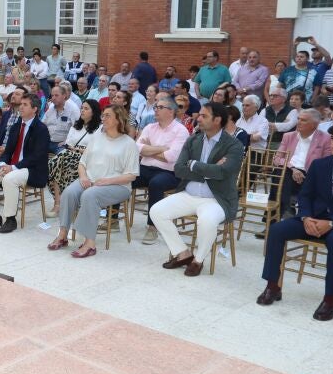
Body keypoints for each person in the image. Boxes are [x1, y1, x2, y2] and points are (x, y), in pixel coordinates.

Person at [257, 123, 333, 321]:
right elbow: (305, 195)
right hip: (312, 218)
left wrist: (332, 222)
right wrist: (306, 217)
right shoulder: (320, 164)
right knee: (276, 230)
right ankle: (272, 286)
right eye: (332, 138)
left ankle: (329, 300)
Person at [151, 103, 245, 276]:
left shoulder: (234, 145)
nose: (198, 118)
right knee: (156, 211)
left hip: (216, 199)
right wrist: (209, 171)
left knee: (207, 221)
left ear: (217, 120)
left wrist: (194, 165)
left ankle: (198, 260)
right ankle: (183, 254)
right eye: (199, 115)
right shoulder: (193, 140)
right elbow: (179, 169)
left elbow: (223, 172)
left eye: (204, 116)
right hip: (189, 194)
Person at [47, 105, 139, 257]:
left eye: (108, 116)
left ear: (118, 120)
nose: (103, 118)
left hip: (118, 185)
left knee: (90, 195)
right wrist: (83, 177)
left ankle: (90, 243)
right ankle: (62, 235)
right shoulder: (97, 137)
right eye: (103, 115)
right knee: (68, 193)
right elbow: (82, 163)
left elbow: (131, 175)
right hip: (89, 179)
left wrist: (107, 181)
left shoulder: (129, 144)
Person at [0, 94, 51, 233]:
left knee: (9, 179)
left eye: (25, 104)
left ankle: (10, 219)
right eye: (20, 104)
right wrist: (3, 163)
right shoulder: (17, 126)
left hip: (32, 170)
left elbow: (37, 156)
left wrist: (14, 167)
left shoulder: (41, 129)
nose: (21, 107)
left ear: (35, 109)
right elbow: (8, 151)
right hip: (12, 166)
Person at [136, 96, 191, 244]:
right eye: (155, 107)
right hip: (145, 168)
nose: (156, 110)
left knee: (156, 183)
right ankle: (113, 219)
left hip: (169, 173)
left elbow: (171, 157)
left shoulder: (181, 131)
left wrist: (148, 149)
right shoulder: (149, 127)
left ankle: (152, 227)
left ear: (171, 111)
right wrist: (161, 148)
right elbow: (137, 148)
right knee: (125, 175)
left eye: (160, 107)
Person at [273, 109, 331, 221]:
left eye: (303, 120)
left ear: (314, 124)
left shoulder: (326, 139)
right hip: (289, 169)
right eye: (298, 119)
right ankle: (287, 209)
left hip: (310, 174)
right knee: (281, 172)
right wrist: (293, 169)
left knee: (281, 179)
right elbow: (277, 159)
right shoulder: (288, 136)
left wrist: (305, 172)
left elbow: (327, 162)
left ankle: (280, 215)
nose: (298, 122)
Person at [48, 99, 102, 213]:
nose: (82, 110)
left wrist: (77, 149)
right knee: (55, 163)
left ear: (94, 112)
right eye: (82, 108)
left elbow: (96, 150)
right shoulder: (76, 125)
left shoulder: (99, 128)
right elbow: (68, 143)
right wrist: (74, 149)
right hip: (70, 154)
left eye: (86, 108)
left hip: (88, 158)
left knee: (59, 164)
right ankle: (58, 202)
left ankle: (63, 203)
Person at [43, 84, 80, 152]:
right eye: (52, 95)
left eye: (56, 95)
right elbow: (43, 125)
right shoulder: (50, 109)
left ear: (64, 96)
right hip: (47, 141)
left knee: (63, 155)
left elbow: (78, 129)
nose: (53, 98)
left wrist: (67, 141)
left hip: (62, 144)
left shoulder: (73, 109)